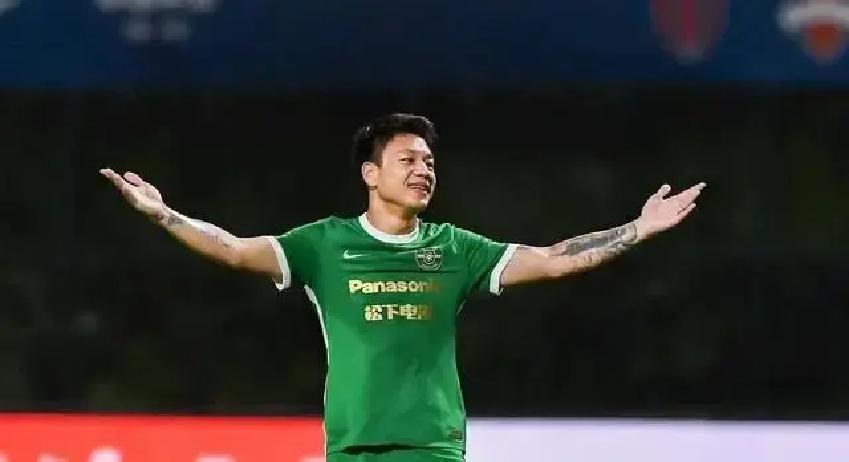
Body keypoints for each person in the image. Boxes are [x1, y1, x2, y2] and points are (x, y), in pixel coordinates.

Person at [100, 113, 706, 462]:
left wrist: (637, 229)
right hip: (354, 447)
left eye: (429, 163)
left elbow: (550, 260)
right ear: (371, 173)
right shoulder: (323, 244)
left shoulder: (456, 248)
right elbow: (233, 249)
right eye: (408, 160)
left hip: (432, 447)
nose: (423, 171)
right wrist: (164, 214)